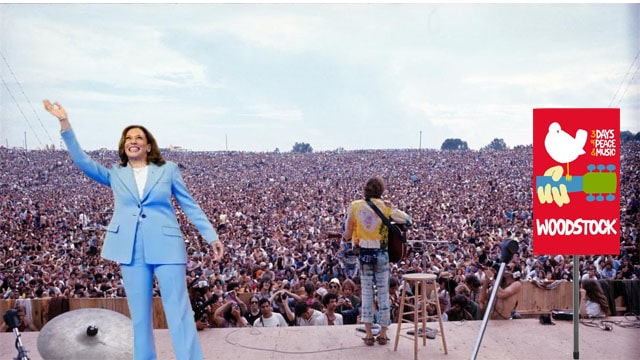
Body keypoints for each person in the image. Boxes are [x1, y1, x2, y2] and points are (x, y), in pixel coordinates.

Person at [43, 100, 224, 360]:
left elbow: (189, 204)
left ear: (149, 145)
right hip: (130, 249)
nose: (133, 141)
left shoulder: (168, 170)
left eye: (139, 137)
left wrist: (211, 236)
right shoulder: (116, 173)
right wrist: (64, 122)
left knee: (179, 313)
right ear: (123, 145)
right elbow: (82, 161)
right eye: (128, 138)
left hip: (167, 247)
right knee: (139, 319)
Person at [343, 176, 412, 346]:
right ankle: (383, 333)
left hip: (365, 254)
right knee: (383, 293)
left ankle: (368, 334)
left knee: (366, 294)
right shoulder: (386, 206)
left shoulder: (355, 206)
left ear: (365, 189)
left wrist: (348, 239)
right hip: (382, 254)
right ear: (381, 191)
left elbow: (347, 232)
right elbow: (408, 220)